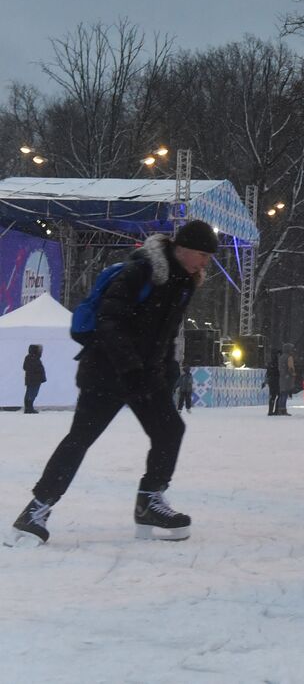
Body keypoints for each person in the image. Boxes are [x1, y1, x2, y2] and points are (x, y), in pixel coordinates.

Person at [5, 220, 216, 547]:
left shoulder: (184, 282)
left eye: (208, 256)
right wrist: (131, 368)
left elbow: (166, 333)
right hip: (106, 372)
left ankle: (149, 501)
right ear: (181, 247)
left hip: (144, 376)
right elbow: (109, 320)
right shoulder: (141, 271)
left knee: (170, 429)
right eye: (201, 254)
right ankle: (36, 510)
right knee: (81, 438)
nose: (205, 262)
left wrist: (167, 368)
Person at [22, 344, 46, 414]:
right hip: (34, 380)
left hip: (33, 379)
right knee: (32, 393)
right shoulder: (33, 358)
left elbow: (25, 367)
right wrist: (38, 372)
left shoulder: (31, 357)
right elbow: (27, 367)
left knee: (31, 393)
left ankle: (29, 407)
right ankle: (29, 408)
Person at [263, 350, 281, 416]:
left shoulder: (270, 364)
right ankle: (276, 410)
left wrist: (265, 381)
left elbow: (267, 374)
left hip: (271, 381)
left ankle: (270, 411)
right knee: (279, 395)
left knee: (272, 396)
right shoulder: (278, 364)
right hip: (277, 380)